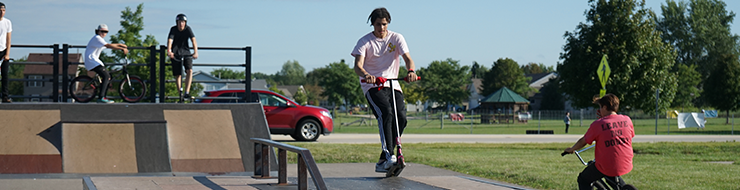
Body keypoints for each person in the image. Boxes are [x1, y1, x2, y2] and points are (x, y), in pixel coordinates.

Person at [351, 7, 418, 173]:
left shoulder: (396, 38)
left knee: (401, 118)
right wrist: (367, 75)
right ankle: (389, 156)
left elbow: (408, 59)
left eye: (385, 24)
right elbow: (358, 66)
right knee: (386, 113)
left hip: (393, 83)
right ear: (372, 24)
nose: (382, 28)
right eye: (378, 25)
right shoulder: (364, 42)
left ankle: (384, 157)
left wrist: (411, 72)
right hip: (373, 85)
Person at [564, 94, 634, 189]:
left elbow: (583, 141)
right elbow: (629, 135)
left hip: (606, 165)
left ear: (605, 107)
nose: (600, 110)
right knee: (610, 173)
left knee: (583, 179)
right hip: (626, 162)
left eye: (600, 107)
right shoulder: (627, 120)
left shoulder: (598, 124)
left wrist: (572, 149)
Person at [84, 24, 128, 103]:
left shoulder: (99, 40)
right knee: (106, 76)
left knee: (108, 76)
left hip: (94, 61)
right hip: (91, 61)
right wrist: (121, 48)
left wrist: (120, 44)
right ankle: (101, 97)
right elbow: (108, 46)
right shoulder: (97, 38)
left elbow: (109, 44)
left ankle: (104, 96)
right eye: (102, 31)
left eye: (106, 32)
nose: (104, 33)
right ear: (98, 31)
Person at [167, 13, 198, 102]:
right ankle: (180, 94)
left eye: (183, 22)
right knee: (178, 74)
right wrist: (169, 51)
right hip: (176, 53)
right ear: (177, 23)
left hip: (186, 52)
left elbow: (193, 40)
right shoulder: (173, 29)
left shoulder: (188, 29)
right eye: (180, 22)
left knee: (190, 70)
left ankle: (187, 92)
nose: (181, 24)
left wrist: (195, 52)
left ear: (185, 23)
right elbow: (170, 40)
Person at [0, 2, 11, 103]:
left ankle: (5, 96)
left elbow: (8, 40)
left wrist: (7, 54)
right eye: (0, 10)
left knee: (5, 75)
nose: (1, 12)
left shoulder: (7, 22)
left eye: (3, 10)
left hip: (3, 51)